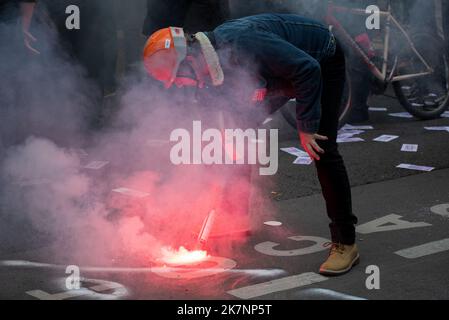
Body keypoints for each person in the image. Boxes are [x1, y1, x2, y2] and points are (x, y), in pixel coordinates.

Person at [143, 13, 359, 275]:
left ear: (189, 60)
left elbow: (307, 69)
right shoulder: (210, 66)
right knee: (238, 135)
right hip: (281, 77)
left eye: (177, 78)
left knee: (321, 147)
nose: (178, 85)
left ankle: (345, 243)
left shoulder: (242, 42)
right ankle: (235, 218)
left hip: (319, 60)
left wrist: (306, 129)